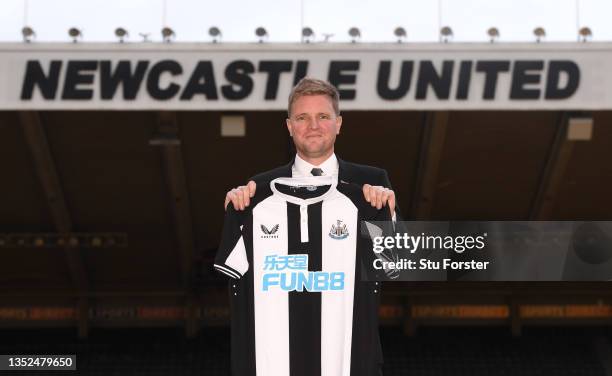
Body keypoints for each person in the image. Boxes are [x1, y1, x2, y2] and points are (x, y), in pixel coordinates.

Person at [224, 77, 400, 221]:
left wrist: (389, 215)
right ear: (290, 127)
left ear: (338, 124)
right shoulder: (259, 187)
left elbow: (404, 257)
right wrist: (236, 210)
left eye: (322, 116)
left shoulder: (373, 180)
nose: (313, 126)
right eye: (302, 118)